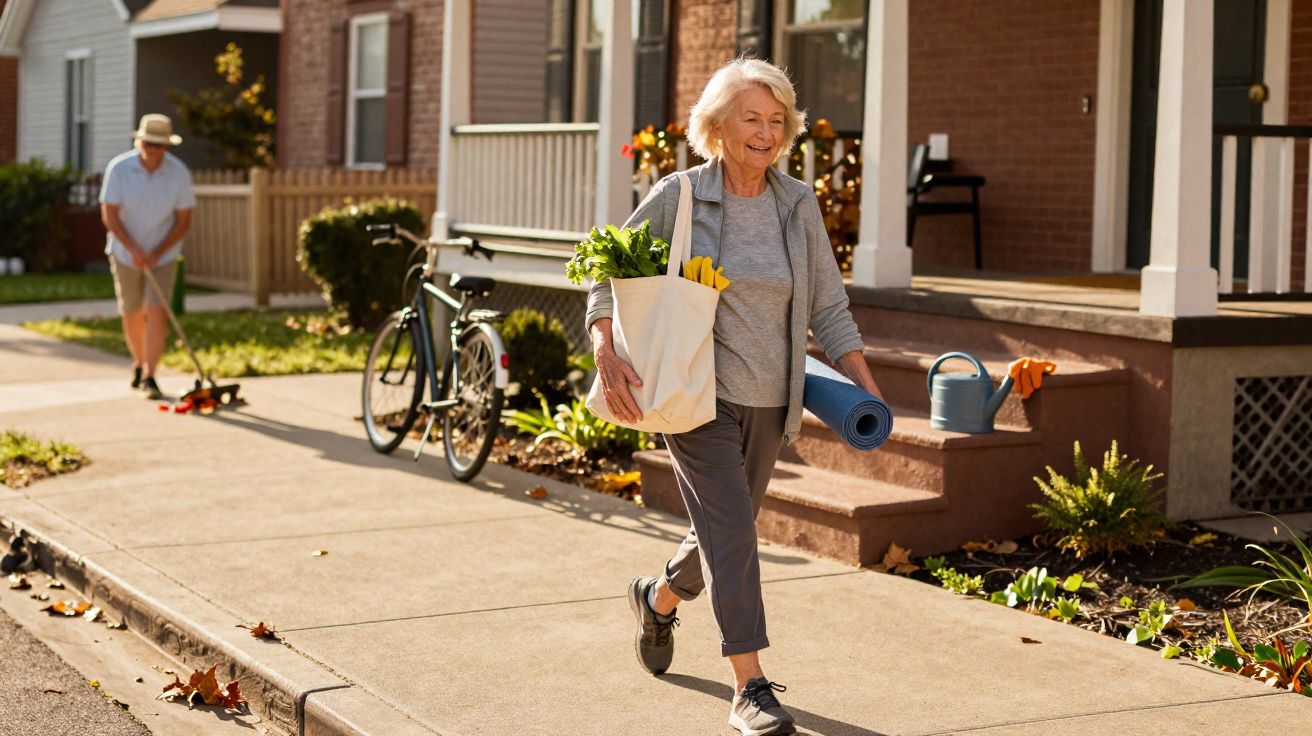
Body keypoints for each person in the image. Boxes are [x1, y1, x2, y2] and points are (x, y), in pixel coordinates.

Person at [586, 59, 882, 736]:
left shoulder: (796, 204)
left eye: (777, 120)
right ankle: (749, 686)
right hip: (694, 395)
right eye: (752, 117)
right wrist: (606, 347)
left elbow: (829, 308)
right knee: (737, 536)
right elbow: (604, 268)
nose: (766, 131)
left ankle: (657, 598)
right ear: (718, 125)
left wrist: (865, 386)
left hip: (771, 399)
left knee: (724, 532)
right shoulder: (681, 194)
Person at [100, 114, 196, 400]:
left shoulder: (178, 173)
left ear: (167, 147)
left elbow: (183, 221)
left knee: (157, 312)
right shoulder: (119, 168)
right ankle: (139, 363)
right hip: (124, 252)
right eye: (149, 143)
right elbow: (110, 215)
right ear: (139, 141)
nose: (153, 150)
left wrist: (156, 251)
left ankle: (150, 375)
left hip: (163, 255)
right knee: (132, 312)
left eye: (159, 145)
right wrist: (134, 249)